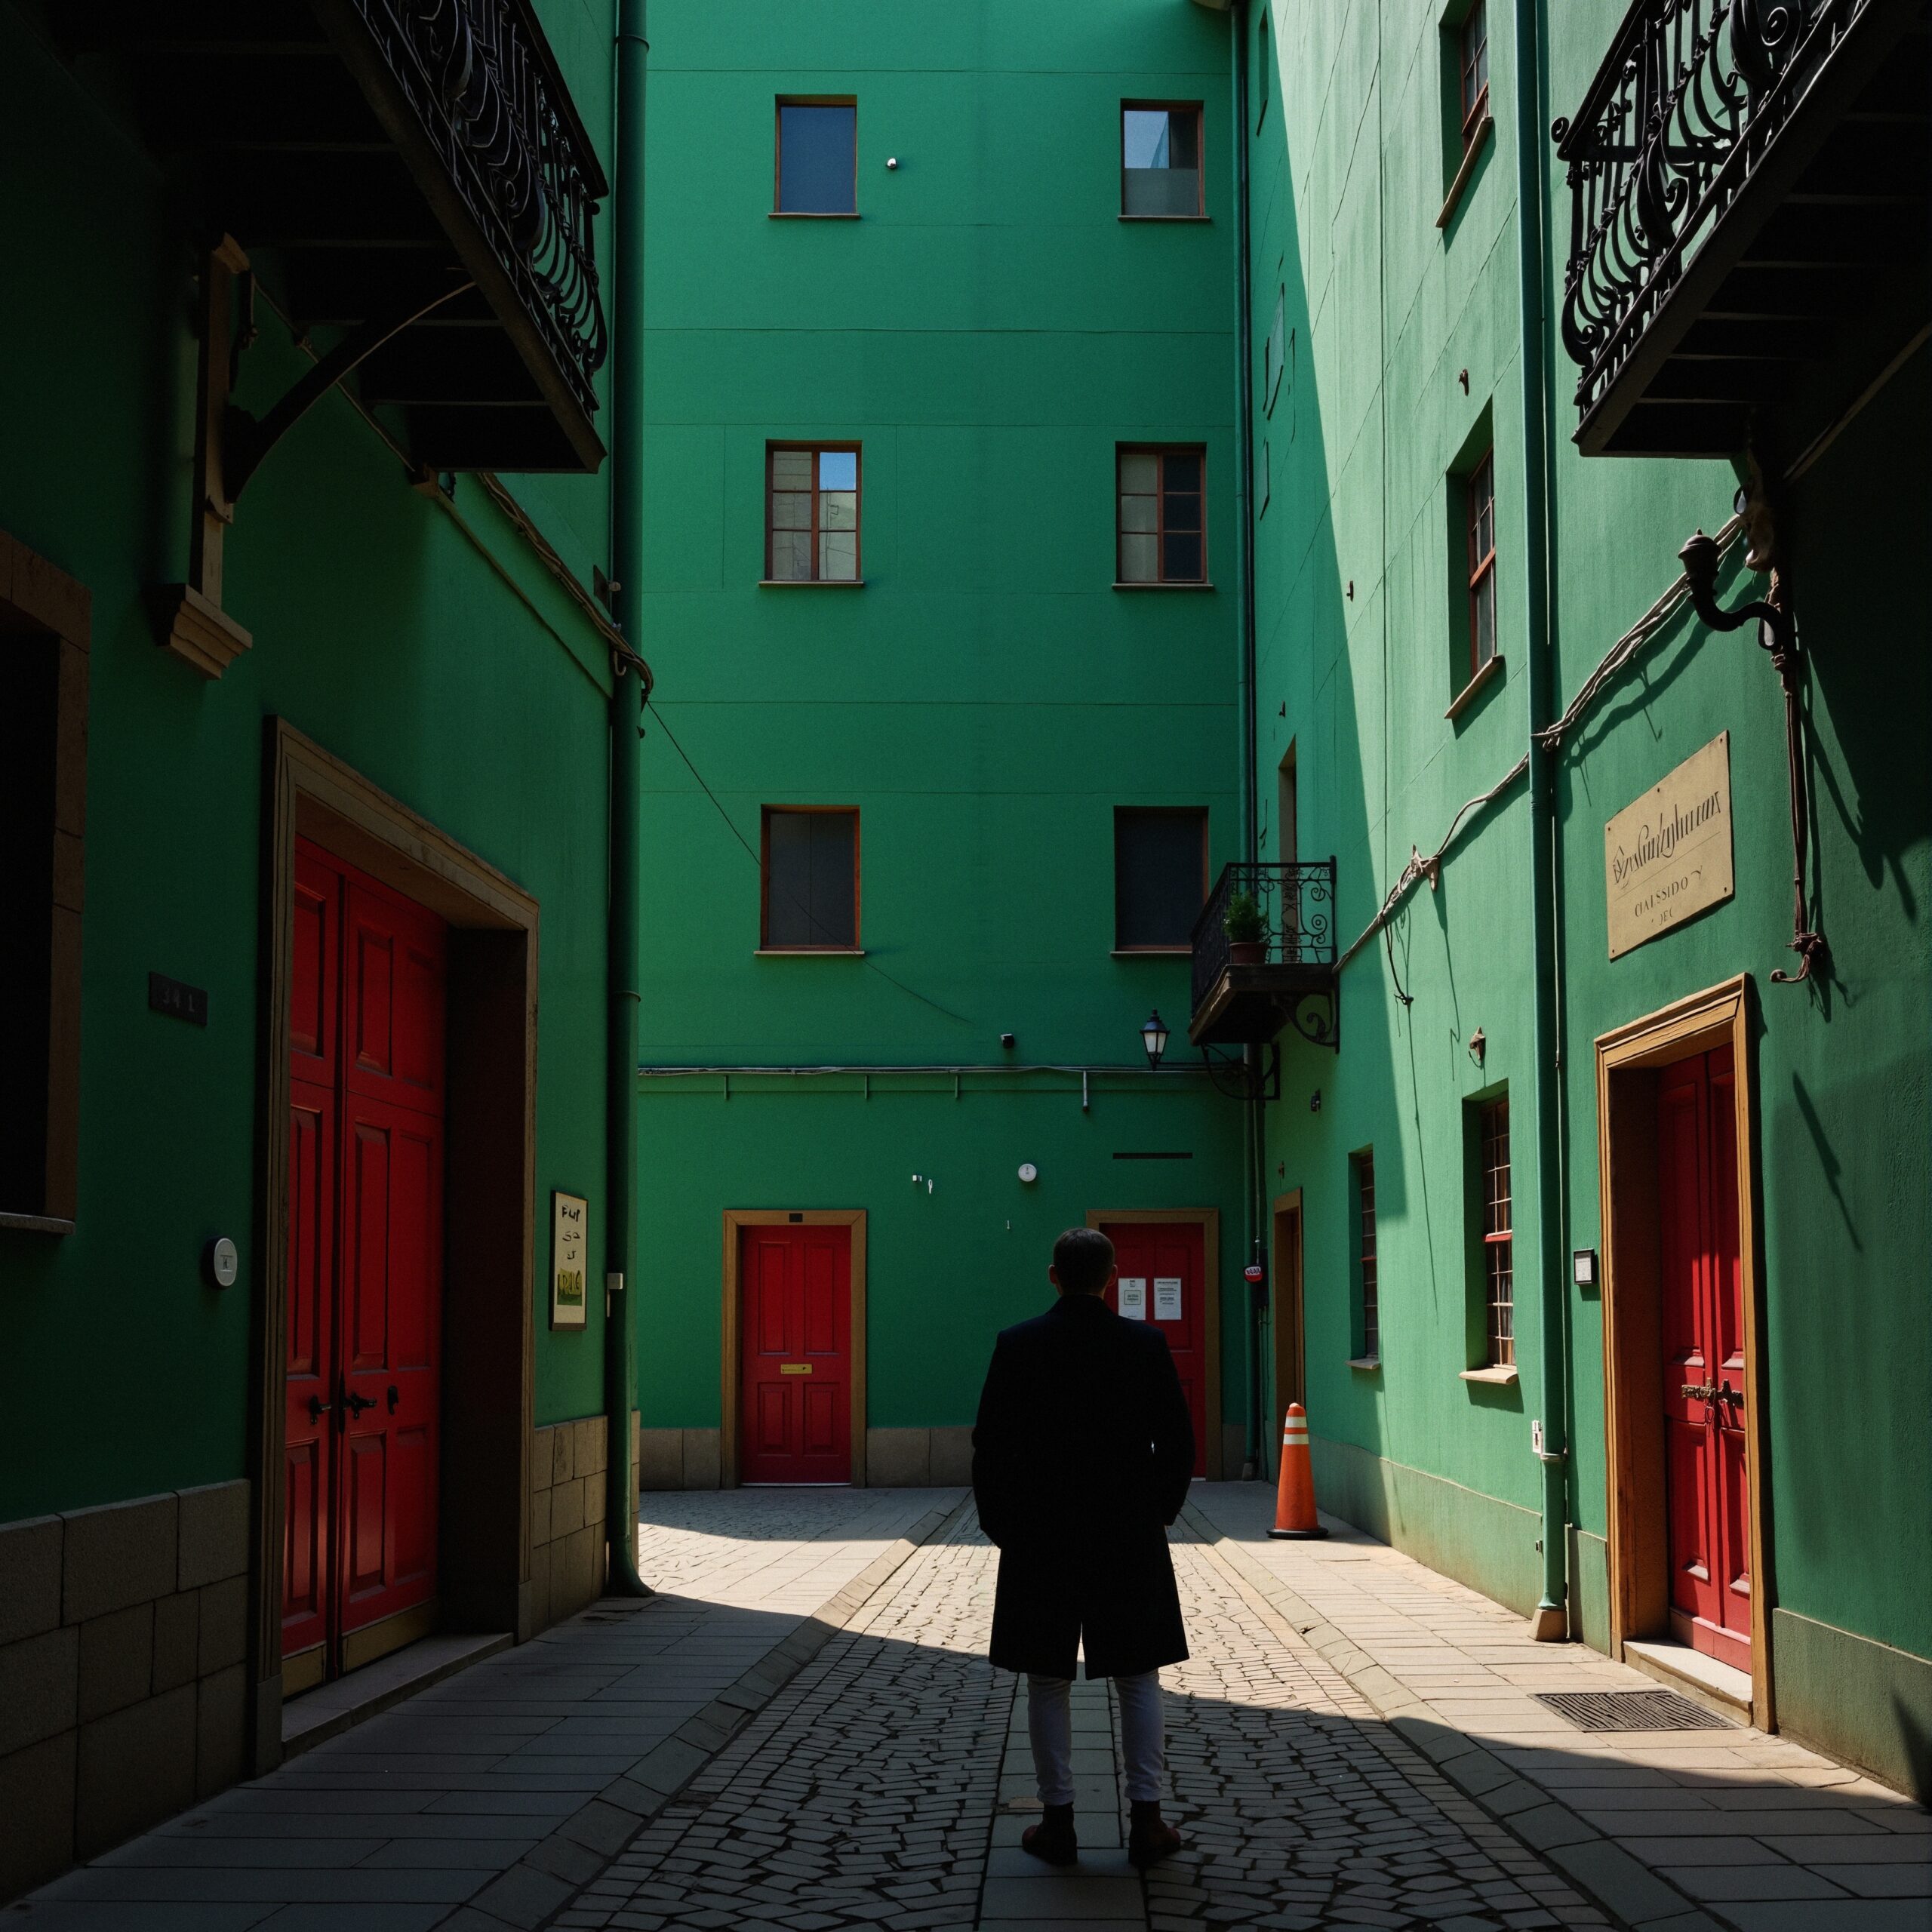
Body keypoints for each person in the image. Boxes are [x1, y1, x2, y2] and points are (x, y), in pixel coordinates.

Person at [971, 1225, 1195, 1869]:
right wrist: (1159, 1512)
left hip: (1041, 1534)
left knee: (1045, 1680)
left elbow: (991, 1446)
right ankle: (1148, 1821)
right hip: (1126, 1531)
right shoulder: (1144, 1345)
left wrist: (1002, 1525)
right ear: (1113, 1278)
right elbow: (1177, 1443)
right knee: (1138, 1675)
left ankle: (1059, 1822)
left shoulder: (1017, 1346)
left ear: (1052, 1275)